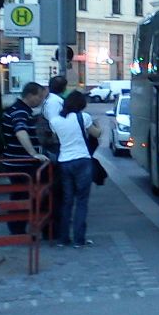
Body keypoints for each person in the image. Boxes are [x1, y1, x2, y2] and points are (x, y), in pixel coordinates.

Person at [49, 90, 101, 248]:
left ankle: (63, 238)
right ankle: (79, 240)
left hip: (64, 162)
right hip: (82, 160)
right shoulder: (83, 117)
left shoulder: (55, 120)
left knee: (67, 201)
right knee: (82, 201)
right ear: (81, 104)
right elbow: (96, 134)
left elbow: (56, 139)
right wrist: (98, 125)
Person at [0, 81, 49, 234]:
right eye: (39, 96)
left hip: (15, 161)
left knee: (20, 194)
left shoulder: (16, 109)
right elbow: (20, 131)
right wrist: (33, 153)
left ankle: (18, 227)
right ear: (30, 95)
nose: (41, 100)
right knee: (25, 195)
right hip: (21, 163)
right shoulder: (20, 112)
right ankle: (18, 228)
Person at [40, 75, 67, 235]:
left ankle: (53, 225)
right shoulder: (55, 102)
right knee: (57, 189)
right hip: (55, 148)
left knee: (55, 189)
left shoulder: (49, 100)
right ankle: (53, 227)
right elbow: (55, 124)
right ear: (63, 88)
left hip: (52, 147)